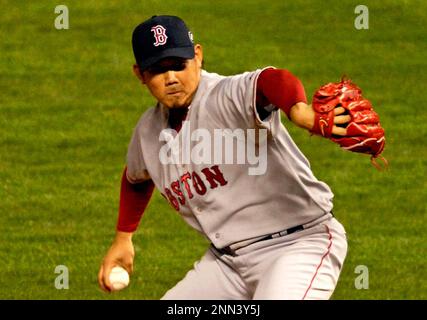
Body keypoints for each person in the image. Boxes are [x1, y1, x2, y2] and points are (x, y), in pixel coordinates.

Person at [98, 15, 349, 300]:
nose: (171, 79)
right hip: (228, 265)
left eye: (179, 66)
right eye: (157, 70)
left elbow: (271, 80)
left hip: (298, 245)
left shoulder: (227, 95)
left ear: (198, 56)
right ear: (139, 74)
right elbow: (136, 179)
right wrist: (123, 237)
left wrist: (299, 111)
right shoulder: (148, 131)